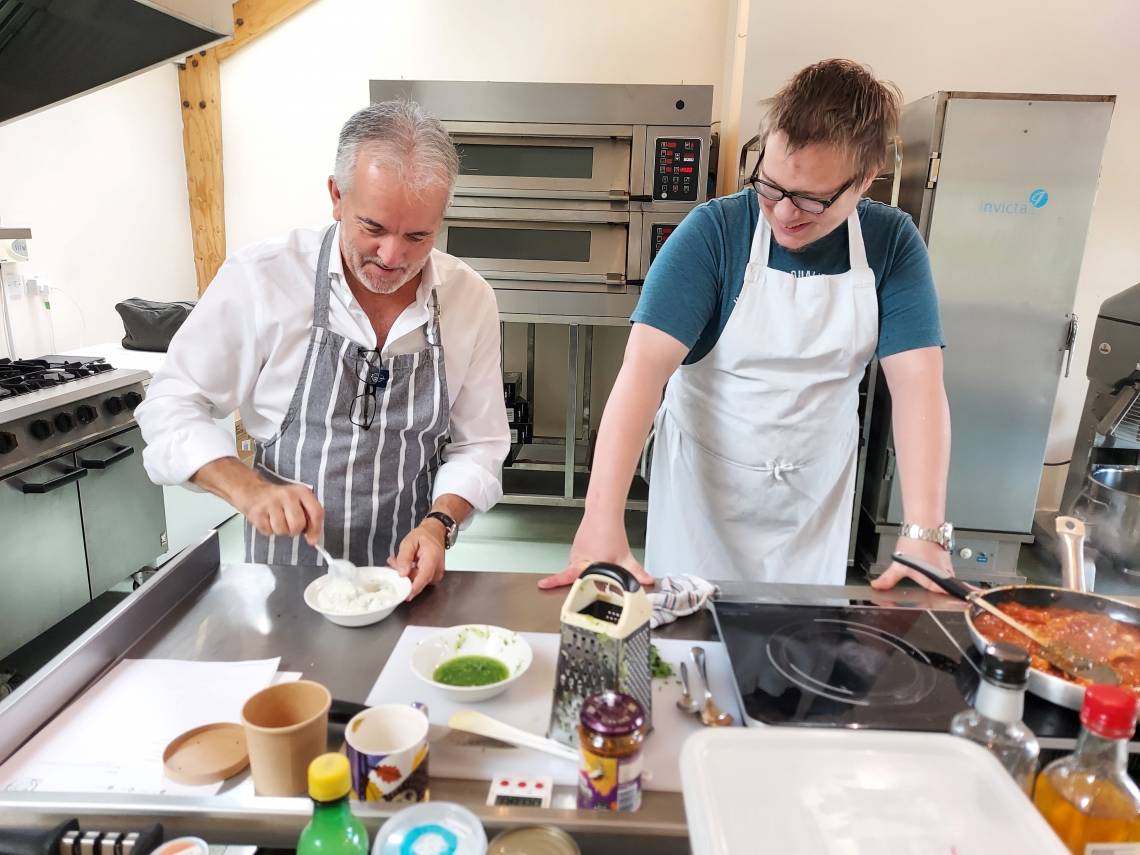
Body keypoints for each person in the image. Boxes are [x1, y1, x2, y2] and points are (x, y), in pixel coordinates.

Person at [541, 59, 953, 593]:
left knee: (798, 650)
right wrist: (600, 520)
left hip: (813, 496)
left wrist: (924, 530)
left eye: (811, 199)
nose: (783, 213)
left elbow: (919, 387)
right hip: (703, 491)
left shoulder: (891, 243)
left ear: (866, 181)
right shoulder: (714, 234)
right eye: (770, 185)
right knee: (687, 651)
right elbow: (641, 375)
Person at [137, 100, 509, 599]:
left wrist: (440, 523)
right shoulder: (264, 277)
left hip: (407, 578)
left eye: (418, 235)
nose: (392, 257)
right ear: (336, 196)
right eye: (373, 228)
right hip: (285, 577)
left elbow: (480, 444)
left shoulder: (469, 299)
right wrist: (248, 490)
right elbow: (171, 406)